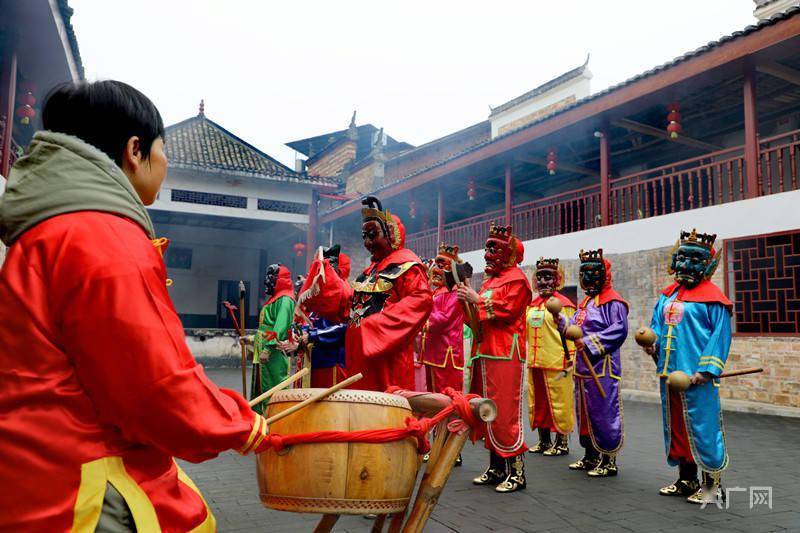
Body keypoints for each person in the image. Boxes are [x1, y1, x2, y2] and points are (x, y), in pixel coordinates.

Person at [0, 80, 271, 531]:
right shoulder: (104, 237)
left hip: (30, 472)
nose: (165, 163)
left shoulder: (49, 233)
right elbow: (157, 386)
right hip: (81, 488)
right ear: (134, 150)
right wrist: (245, 425)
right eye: (162, 149)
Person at [300, 196, 432, 392]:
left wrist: (373, 326)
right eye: (364, 236)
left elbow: (421, 301)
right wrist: (325, 278)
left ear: (392, 235)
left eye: (373, 235)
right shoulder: (369, 273)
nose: (368, 242)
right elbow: (350, 307)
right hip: (358, 354)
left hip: (387, 358)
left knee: (384, 409)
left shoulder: (407, 267)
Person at [644, 229, 732, 504]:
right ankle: (686, 478)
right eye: (681, 258)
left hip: (696, 377)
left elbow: (720, 337)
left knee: (704, 429)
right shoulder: (667, 296)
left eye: (694, 259)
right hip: (670, 375)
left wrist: (706, 370)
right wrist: (652, 343)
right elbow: (657, 326)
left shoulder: (714, 299)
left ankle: (713, 486)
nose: (684, 265)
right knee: (677, 428)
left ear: (708, 265)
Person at [457, 222, 532, 493]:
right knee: (486, 410)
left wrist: (475, 299)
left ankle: (517, 471)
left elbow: (508, 311)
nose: (488, 253)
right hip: (485, 351)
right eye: (487, 248)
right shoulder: (490, 282)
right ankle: (496, 466)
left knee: (505, 413)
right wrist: (464, 301)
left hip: (505, 353)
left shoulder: (518, 280)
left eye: (494, 248)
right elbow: (476, 319)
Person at [553, 248, 628, 477]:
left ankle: (608, 459)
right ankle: (590, 455)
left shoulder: (613, 303)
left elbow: (619, 330)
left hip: (602, 367)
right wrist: (560, 320)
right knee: (584, 413)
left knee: (604, 412)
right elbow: (575, 329)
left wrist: (591, 342)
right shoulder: (585, 303)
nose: (587, 277)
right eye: (583, 273)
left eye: (593, 273)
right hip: (583, 367)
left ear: (604, 275)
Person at [526, 258, 576, 456]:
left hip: (557, 361)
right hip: (535, 361)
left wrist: (572, 358)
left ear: (557, 280)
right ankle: (544, 440)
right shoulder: (532, 305)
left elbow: (571, 333)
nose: (543, 281)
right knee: (538, 403)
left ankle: (562, 441)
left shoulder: (564, 304)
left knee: (560, 402)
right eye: (540, 277)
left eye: (548, 277)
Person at [291, 245, 350, 388]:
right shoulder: (319, 296)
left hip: (332, 361)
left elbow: (344, 327)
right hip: (315, 360)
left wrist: (313, 335)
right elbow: (312, 321)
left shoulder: (346, 293)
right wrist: (301, 335)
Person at [248, 263, 295, 413]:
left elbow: (279, 327)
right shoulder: (276, 299)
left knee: (273, 387)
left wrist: (268, 349)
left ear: (280, 280)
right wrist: (250, 339)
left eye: (271, 278)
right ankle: (259, 420)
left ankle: (273, 421)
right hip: (263, 349)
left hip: (273, 353)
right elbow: (265, 328)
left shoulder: (285, 300)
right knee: (260, 387)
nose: (268, 282)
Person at [421, 243, 466, 393]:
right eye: (436, 264)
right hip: (433, 352)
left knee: (445, 396)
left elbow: (444, 318)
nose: (436, 269)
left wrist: (420, 320)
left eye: (442, 265)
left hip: (447, 354)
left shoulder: (456, 293)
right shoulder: (437, 293)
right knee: (432, 395)